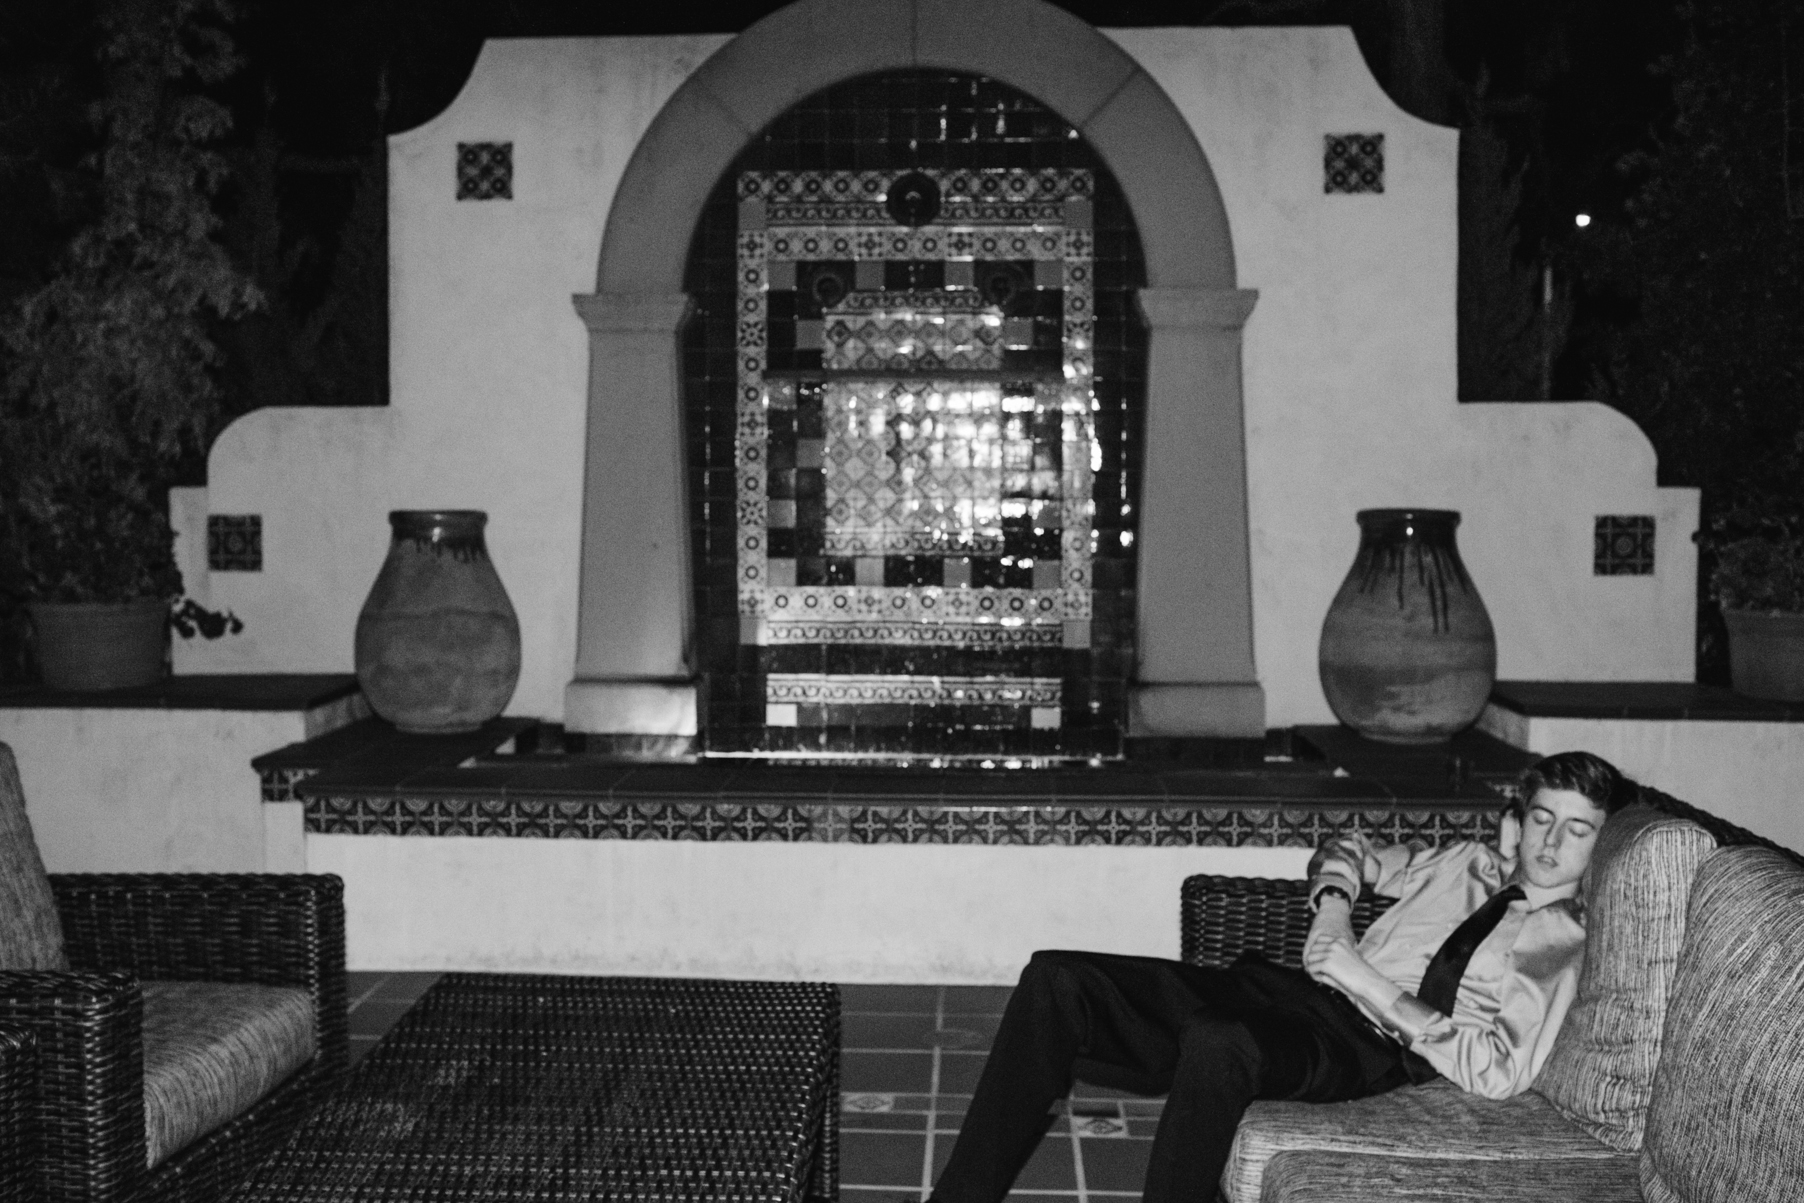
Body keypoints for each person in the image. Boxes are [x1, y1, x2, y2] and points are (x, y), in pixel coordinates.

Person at [926, 751, 1635, 1203]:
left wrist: (1367, 981)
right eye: (1543, 818)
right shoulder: (1464, 864)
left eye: (1577, 829)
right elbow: (1349, 847)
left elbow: (1498, 1070)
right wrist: (1333, 909)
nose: (1551, 841)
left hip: (1368, 1047)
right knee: (1058, 979)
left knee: (1221, 1038)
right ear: (1518, 821)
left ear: (1601, 844)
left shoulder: (1566, 943)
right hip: (1287, 991)